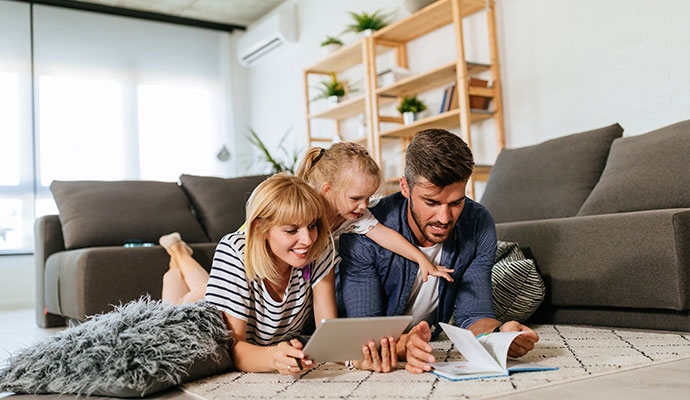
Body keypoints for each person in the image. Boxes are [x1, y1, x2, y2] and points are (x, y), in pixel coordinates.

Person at [338, 129, 540, 374]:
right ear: (405, 187)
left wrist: (500, 336)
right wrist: (403, 345)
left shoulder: (477, 222)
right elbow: (365, 332)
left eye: (456, 202)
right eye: (431, 202)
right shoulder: (365, 231)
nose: (444, 218)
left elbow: (475, 315)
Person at [296, 142, 454, 283]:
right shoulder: (306, 212)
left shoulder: (353, 216)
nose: (363, 205)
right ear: (328, 190)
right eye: (356, 198)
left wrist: (422, 259)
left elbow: (385, 236)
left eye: (368, 198)